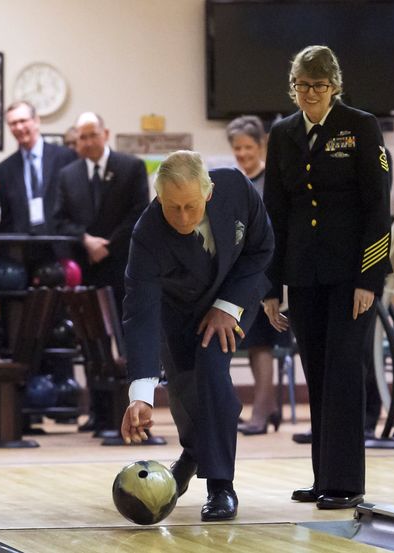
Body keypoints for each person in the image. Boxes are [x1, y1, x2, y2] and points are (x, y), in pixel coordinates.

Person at [262, 45, 392, 510]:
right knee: (316, 372)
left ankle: (345, 483)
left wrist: (369, 278)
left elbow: (378, 205)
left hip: (350, 275)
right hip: (303, 272)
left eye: (318, 85)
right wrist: (269, 286)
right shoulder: (282, 134)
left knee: (342, 373)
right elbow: (275, 212)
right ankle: (323, 477)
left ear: (335, 86)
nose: (309, 94)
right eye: (301, 85)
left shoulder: (360, 127)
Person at [120, 150, 274, 521]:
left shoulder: (237, 188)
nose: (183, 218)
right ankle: (192, 455)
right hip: (182, 310)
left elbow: (262, 248)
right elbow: (140, 316)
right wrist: (140, 396)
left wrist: (227, 306)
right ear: (159, 198)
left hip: (237, 292)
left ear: (209, 192)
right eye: (172, 207)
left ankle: (220, 485)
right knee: (185, 387)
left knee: (210, 364)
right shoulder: (147, 235)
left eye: (191, 206)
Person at [225, 115, 290, 435]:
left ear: (261, 145)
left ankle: (261, 411)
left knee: (262, 343)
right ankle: (268, 406)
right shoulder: (234, 181)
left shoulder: (272, 179)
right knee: (252, 343)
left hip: (268, 273)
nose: (242, 154)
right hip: (242, 273)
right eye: (237, 148)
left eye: (248, 147)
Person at [52, 112, 149, 313]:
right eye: (82, 137)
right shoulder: (67, 175)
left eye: (93, 135)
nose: (88, 142)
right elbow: (59, 219)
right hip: (85, 265)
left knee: (126, 332)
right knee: (89, 333)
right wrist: (86, 240)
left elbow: (139, 212)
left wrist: (108, 246)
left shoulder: (131, 167)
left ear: (105, 134)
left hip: (123, 264)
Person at [0, 101, 76, 236]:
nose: (19, 127)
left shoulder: (65, 157)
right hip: (24, 247)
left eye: (23, 121)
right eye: (13, 123)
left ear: (36, 121)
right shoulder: (5, 168)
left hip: (60, 242)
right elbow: (7, 217)